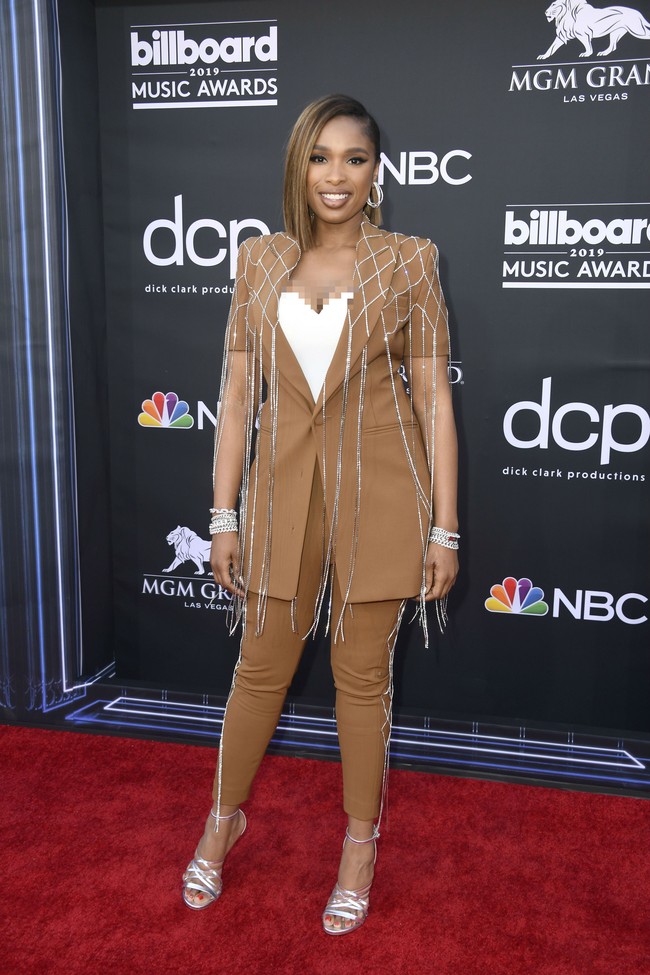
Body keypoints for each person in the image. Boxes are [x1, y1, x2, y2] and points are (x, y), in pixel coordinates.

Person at [182, 94, 459, 935]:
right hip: (277, 493)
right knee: (259, 668)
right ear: (298, 167)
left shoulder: (410, 260)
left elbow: (435, 404)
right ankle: (223, 818)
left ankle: (359, 843)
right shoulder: (258, 261)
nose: (336, 175)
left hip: (381, 488)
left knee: (362, 680)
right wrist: (221, 513)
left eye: (355, 158)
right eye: (320, 157)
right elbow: (236, 398)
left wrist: (445, 525)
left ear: (377, 174)